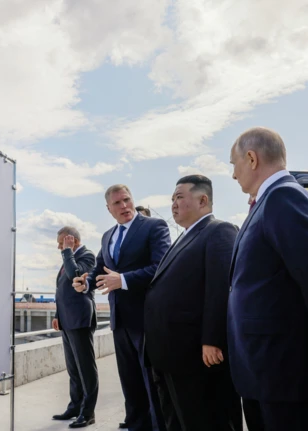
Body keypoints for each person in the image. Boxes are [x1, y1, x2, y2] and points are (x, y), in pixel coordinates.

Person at [228, 127, 308, 431]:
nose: (233, 175)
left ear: (251, 158)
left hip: (283, 371)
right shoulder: (269, 200)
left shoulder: (283, 197)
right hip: (265, 368)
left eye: (234, 164)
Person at [144, 175, 242, 431]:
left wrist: (213, 339)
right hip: (169, 355)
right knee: (176, 421)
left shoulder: (219, 231)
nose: (173, 204)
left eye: (179, 197)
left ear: (203, 199)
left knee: (205, 420)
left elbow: (220, 289)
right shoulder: (184, 236)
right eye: (172, 199)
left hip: (196, 357)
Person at [73, 184, 171, 431]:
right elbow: (99, 270)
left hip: (146, 320)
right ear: (109, 209)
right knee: (131, 387)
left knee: (153, 386)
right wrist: (85, 284)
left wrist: (123, 280)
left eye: (127, 200)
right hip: (120, 322)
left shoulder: (154, 226)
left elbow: (161, 266)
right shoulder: (108, 236)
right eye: (117, 203)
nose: (124, 206)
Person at [51, 226, 98, 428]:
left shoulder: (87, 256)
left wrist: (67, 251)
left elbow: (75, 276)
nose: (59, 247)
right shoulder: (67, 257)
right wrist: (57, 315)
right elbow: (61, 290)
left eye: (62, 242)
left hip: (80, 319)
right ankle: (75, 406)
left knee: (85, 368)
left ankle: (88, 413)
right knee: (73, 368)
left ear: (73, 241)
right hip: (67, 319)